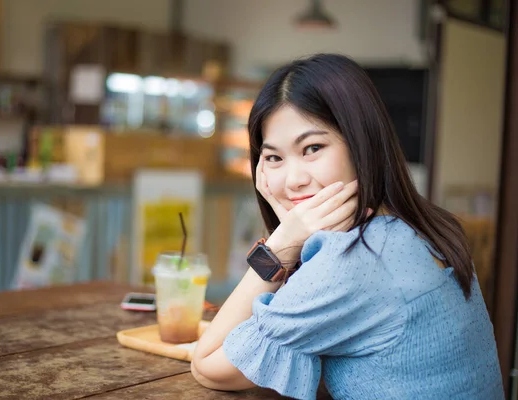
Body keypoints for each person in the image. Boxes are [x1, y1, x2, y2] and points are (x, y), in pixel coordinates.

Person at [190, 54, 503, 399]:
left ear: (361, 144)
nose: (293, 180)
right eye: (275, 158)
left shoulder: (355, 261)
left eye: (313, 148)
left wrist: (281, 245)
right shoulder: (422, 229)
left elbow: (206, 364)